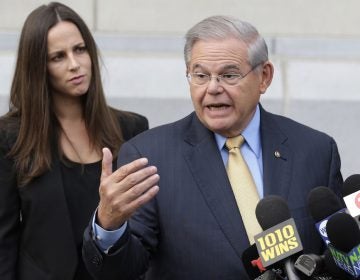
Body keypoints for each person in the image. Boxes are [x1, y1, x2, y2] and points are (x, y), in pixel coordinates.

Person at [82, 16, 343, 279]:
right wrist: (109, 224)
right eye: (200, 75)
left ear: (264, 77)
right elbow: (124, 271)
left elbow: (340, 259)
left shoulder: (315, 151)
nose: (213, 88)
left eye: (229, 75)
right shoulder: (150, 157)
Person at [0, 2, 148, 280]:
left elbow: (144, 228)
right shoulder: (11, 137)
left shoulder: (131, 127)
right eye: (58, 57)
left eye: (80, 50)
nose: (74, 64)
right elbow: (3, 241)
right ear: (38, 67)